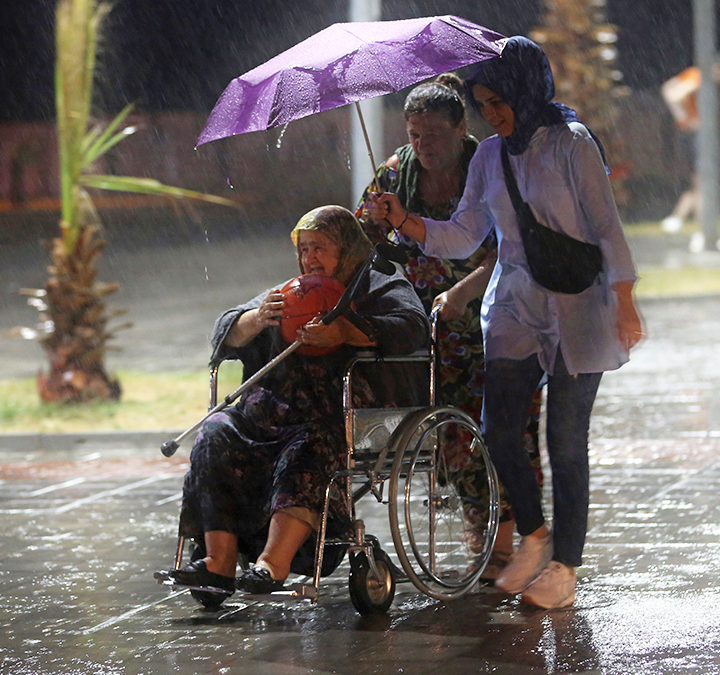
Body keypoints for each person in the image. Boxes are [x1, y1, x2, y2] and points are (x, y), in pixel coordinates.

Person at [369, 37, 645, 609]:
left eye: (499, 101)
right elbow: (467, 233)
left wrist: (624, 297)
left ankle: (565, 565)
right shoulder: (491, 156)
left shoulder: (571, 145)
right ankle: (534, 536)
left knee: (565, 442)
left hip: (578, 305)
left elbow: (606, 225)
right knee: (498, 433)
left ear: (525, 89)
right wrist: (408, 222)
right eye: (483, 103)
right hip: (515, 304)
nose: (492, 115)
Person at [169, 205, 428, 603]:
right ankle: (218, 564)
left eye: (320, 247)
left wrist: (348, 331)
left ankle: (273, 562)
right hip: (271, 412)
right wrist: (256, 318)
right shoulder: (295, 290)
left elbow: (412, 327)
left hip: (339, 409)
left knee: (313, 440)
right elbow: (225, 330)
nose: (310, 258)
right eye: (304, 249)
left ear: (346, 247)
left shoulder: (380, 283)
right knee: (217, 431)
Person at [356, 74, 543, 580]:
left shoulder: (491, 165)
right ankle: (481, 524)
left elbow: (513, 245)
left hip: (505, 310)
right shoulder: (397, 172)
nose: (424, 146)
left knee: (511, 426)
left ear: (462, 128)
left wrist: (465, 291)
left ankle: (512, 532)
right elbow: (360, 238)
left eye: (435, 135)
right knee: (454, 432)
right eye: (415, 135)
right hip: (438, 328)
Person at [659, 55, 720, 233]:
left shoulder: (693, 74)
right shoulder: (699, 77)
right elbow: (674, 94)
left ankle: (678, 219)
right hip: (695, 135)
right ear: (719, 70)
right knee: (703, 180)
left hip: (694, 134)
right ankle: (701, 229)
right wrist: (684, 118)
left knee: (700, 180)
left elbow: (667, 87)